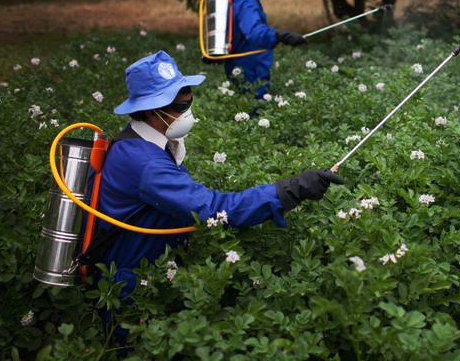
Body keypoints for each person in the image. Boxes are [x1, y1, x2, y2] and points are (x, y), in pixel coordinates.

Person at [96, 50, 343, 296]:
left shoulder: (143, 143)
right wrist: (291, 189)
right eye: (179, 106)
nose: (187, 112)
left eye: (189, 101)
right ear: (150, 110)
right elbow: (214, 210)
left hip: (152, 271)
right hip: (130, 286)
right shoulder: (145, 162)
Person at [224, 0, 306, 98]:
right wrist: (281, 35)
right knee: (255, 107)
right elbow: (255, 33)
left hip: (246, 64)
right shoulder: (247, 2)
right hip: (250, 68)